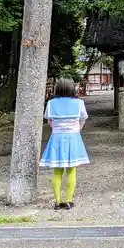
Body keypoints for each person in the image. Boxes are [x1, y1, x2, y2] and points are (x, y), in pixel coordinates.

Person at [40, 77, 90, 210]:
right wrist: (77, 129)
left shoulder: (51, 103)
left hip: (56, 138)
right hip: (73, 138)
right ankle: (68, 200)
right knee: (71, 170)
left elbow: (49, 121)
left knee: (57, 171)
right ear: (71, 88)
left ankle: (57, 201)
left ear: (58, 88)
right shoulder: (78, 103)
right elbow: (83, 119)